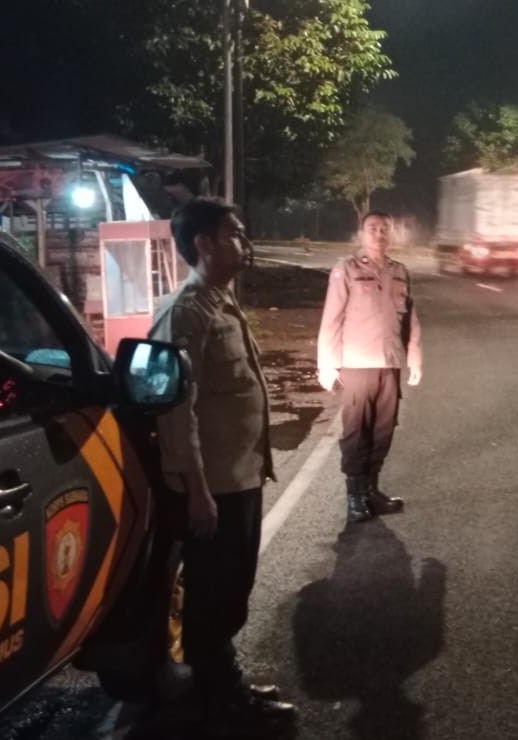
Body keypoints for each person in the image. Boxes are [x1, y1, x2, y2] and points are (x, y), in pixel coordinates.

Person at [151, 198, 297, 735]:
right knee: (214, 598)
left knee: (230, 592)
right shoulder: (187, 312)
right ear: (204, 243)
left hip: (238, 476)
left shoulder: (221, 302)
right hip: (212, 486)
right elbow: (176, 411)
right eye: (234, 233)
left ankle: (223, 685)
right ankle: (221, 705)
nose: (245, 241)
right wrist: (196, 491)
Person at [317, 211, 424, 525]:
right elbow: (331, 318)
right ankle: (354, 497)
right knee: (356, 433)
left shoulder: (399, 271)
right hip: (357, 364)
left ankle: (371, 491)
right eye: (373, 228)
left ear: (390, 234)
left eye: (384, 229)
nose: (379, 234)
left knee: (383, 431)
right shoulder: (347, 269)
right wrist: (327, 364)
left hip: (389, 364)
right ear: (361, 233)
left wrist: (414, 355)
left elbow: (410, 320)